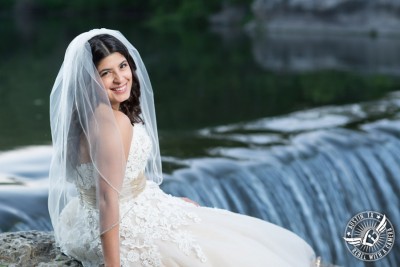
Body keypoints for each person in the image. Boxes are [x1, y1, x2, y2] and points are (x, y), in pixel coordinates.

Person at [48, 28, 318, 267]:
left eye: (122, 66)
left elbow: (115, 185)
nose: (120, 78)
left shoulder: (85, 118)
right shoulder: (113, 123)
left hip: (84, 218)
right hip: (119, 229)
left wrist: (164, 203)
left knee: (213, 226)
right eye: (106, 73)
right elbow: (108, 200)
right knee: (234, 252)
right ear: (89, 81)